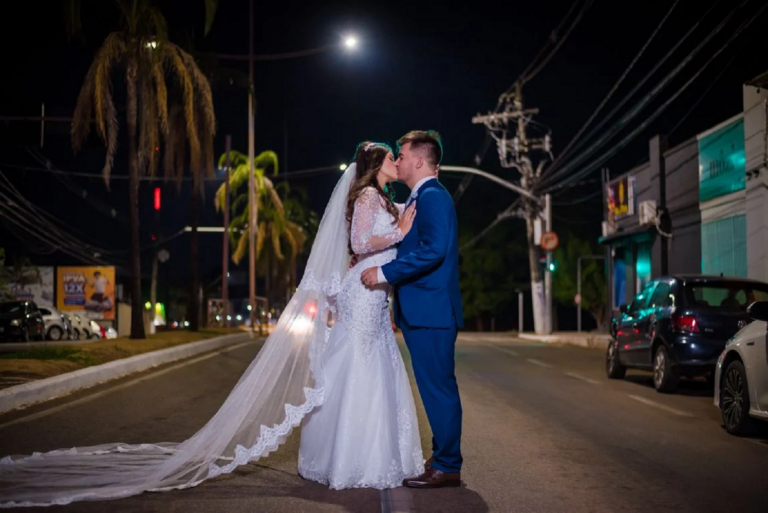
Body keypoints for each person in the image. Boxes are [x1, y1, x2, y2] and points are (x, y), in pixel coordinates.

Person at [0, 141, 423, 508]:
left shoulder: (381, 197)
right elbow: (361, 243)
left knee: (367, 365)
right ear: (375, 164)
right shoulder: (367, 196)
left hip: (372, 293)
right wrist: (400, 234)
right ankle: (352, 458)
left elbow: (381, 232)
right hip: (363, 292)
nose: (395, 162)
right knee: (357, 365)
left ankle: (368, 454)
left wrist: (408, 214)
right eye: (391, 157)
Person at [361, 130, 464, 489]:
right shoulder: (424, 197)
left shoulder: (433, 196)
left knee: (438, 389)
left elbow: (433, 250)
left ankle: (448, 465)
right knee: (435, 387)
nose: (399, 160)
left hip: (433, 312)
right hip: (425, 311)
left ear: (419, 161)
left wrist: (385, 273)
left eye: (402, 154)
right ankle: (442, 458)